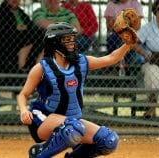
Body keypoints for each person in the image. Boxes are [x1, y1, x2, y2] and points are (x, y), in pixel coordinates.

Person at [17, 22, 135, 158]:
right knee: (73, 128)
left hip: (70, 122)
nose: (72, 43)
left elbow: (111, 58)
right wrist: (24, 110)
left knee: (108, 140)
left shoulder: (81, 62)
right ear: (55, 43)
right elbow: (23, 94)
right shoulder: (41, 68)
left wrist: (128, 43)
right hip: (43, 119)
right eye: (67, 40)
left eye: (72, 39)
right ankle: (39, 154)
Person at [0, 0, 43, 73]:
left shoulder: (21, 13)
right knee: (29, 39)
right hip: (5, 45)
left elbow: (31, 28)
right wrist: (19, 29)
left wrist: (21, 29)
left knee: (40, 36)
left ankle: (37, 70)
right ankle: (23, 66)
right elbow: (2, 33)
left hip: (25, 40)